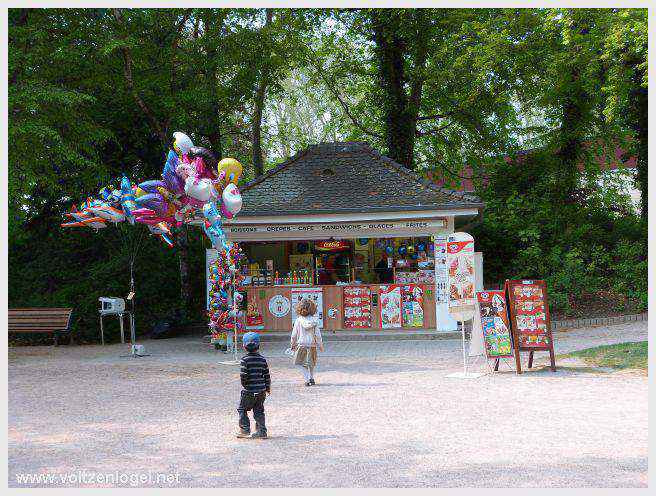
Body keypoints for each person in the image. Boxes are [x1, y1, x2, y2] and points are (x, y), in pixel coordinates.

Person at [237, 332, 270, 439]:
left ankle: (245, 430)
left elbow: (243, 375)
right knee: (259, 410)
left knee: (242, 409)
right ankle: (262, 431)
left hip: (249, 391)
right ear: (259, 345)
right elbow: (266, 375)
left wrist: (245, 385)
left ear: (244, 346)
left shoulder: (244, 360)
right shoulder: (262, 359)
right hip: (261, 391)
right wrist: (267, 388)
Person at [291, 298, 324, 386]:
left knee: (303, 363)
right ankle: (311, 377)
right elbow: (318, 335)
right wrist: (320, 345)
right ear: (313, 309)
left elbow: (294, 335)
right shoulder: (314, 321)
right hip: (312, 345)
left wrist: (292, 344)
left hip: (301, 344)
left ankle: (306, 380)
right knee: (311, 362)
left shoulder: (298, 320)